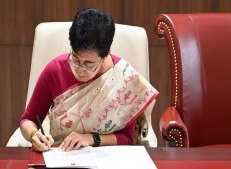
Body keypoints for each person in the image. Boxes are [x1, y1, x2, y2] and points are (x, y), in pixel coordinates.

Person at [20, 8, 158, 152]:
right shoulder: (55, 70)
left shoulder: (122, 78)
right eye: (75, 59)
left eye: (89, 64)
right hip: (63, 156)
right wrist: (34, 135)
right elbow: (27, 120)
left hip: (107, 158)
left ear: (106, 55)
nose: (80, 69)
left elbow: (128, 138)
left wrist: (90, 138)